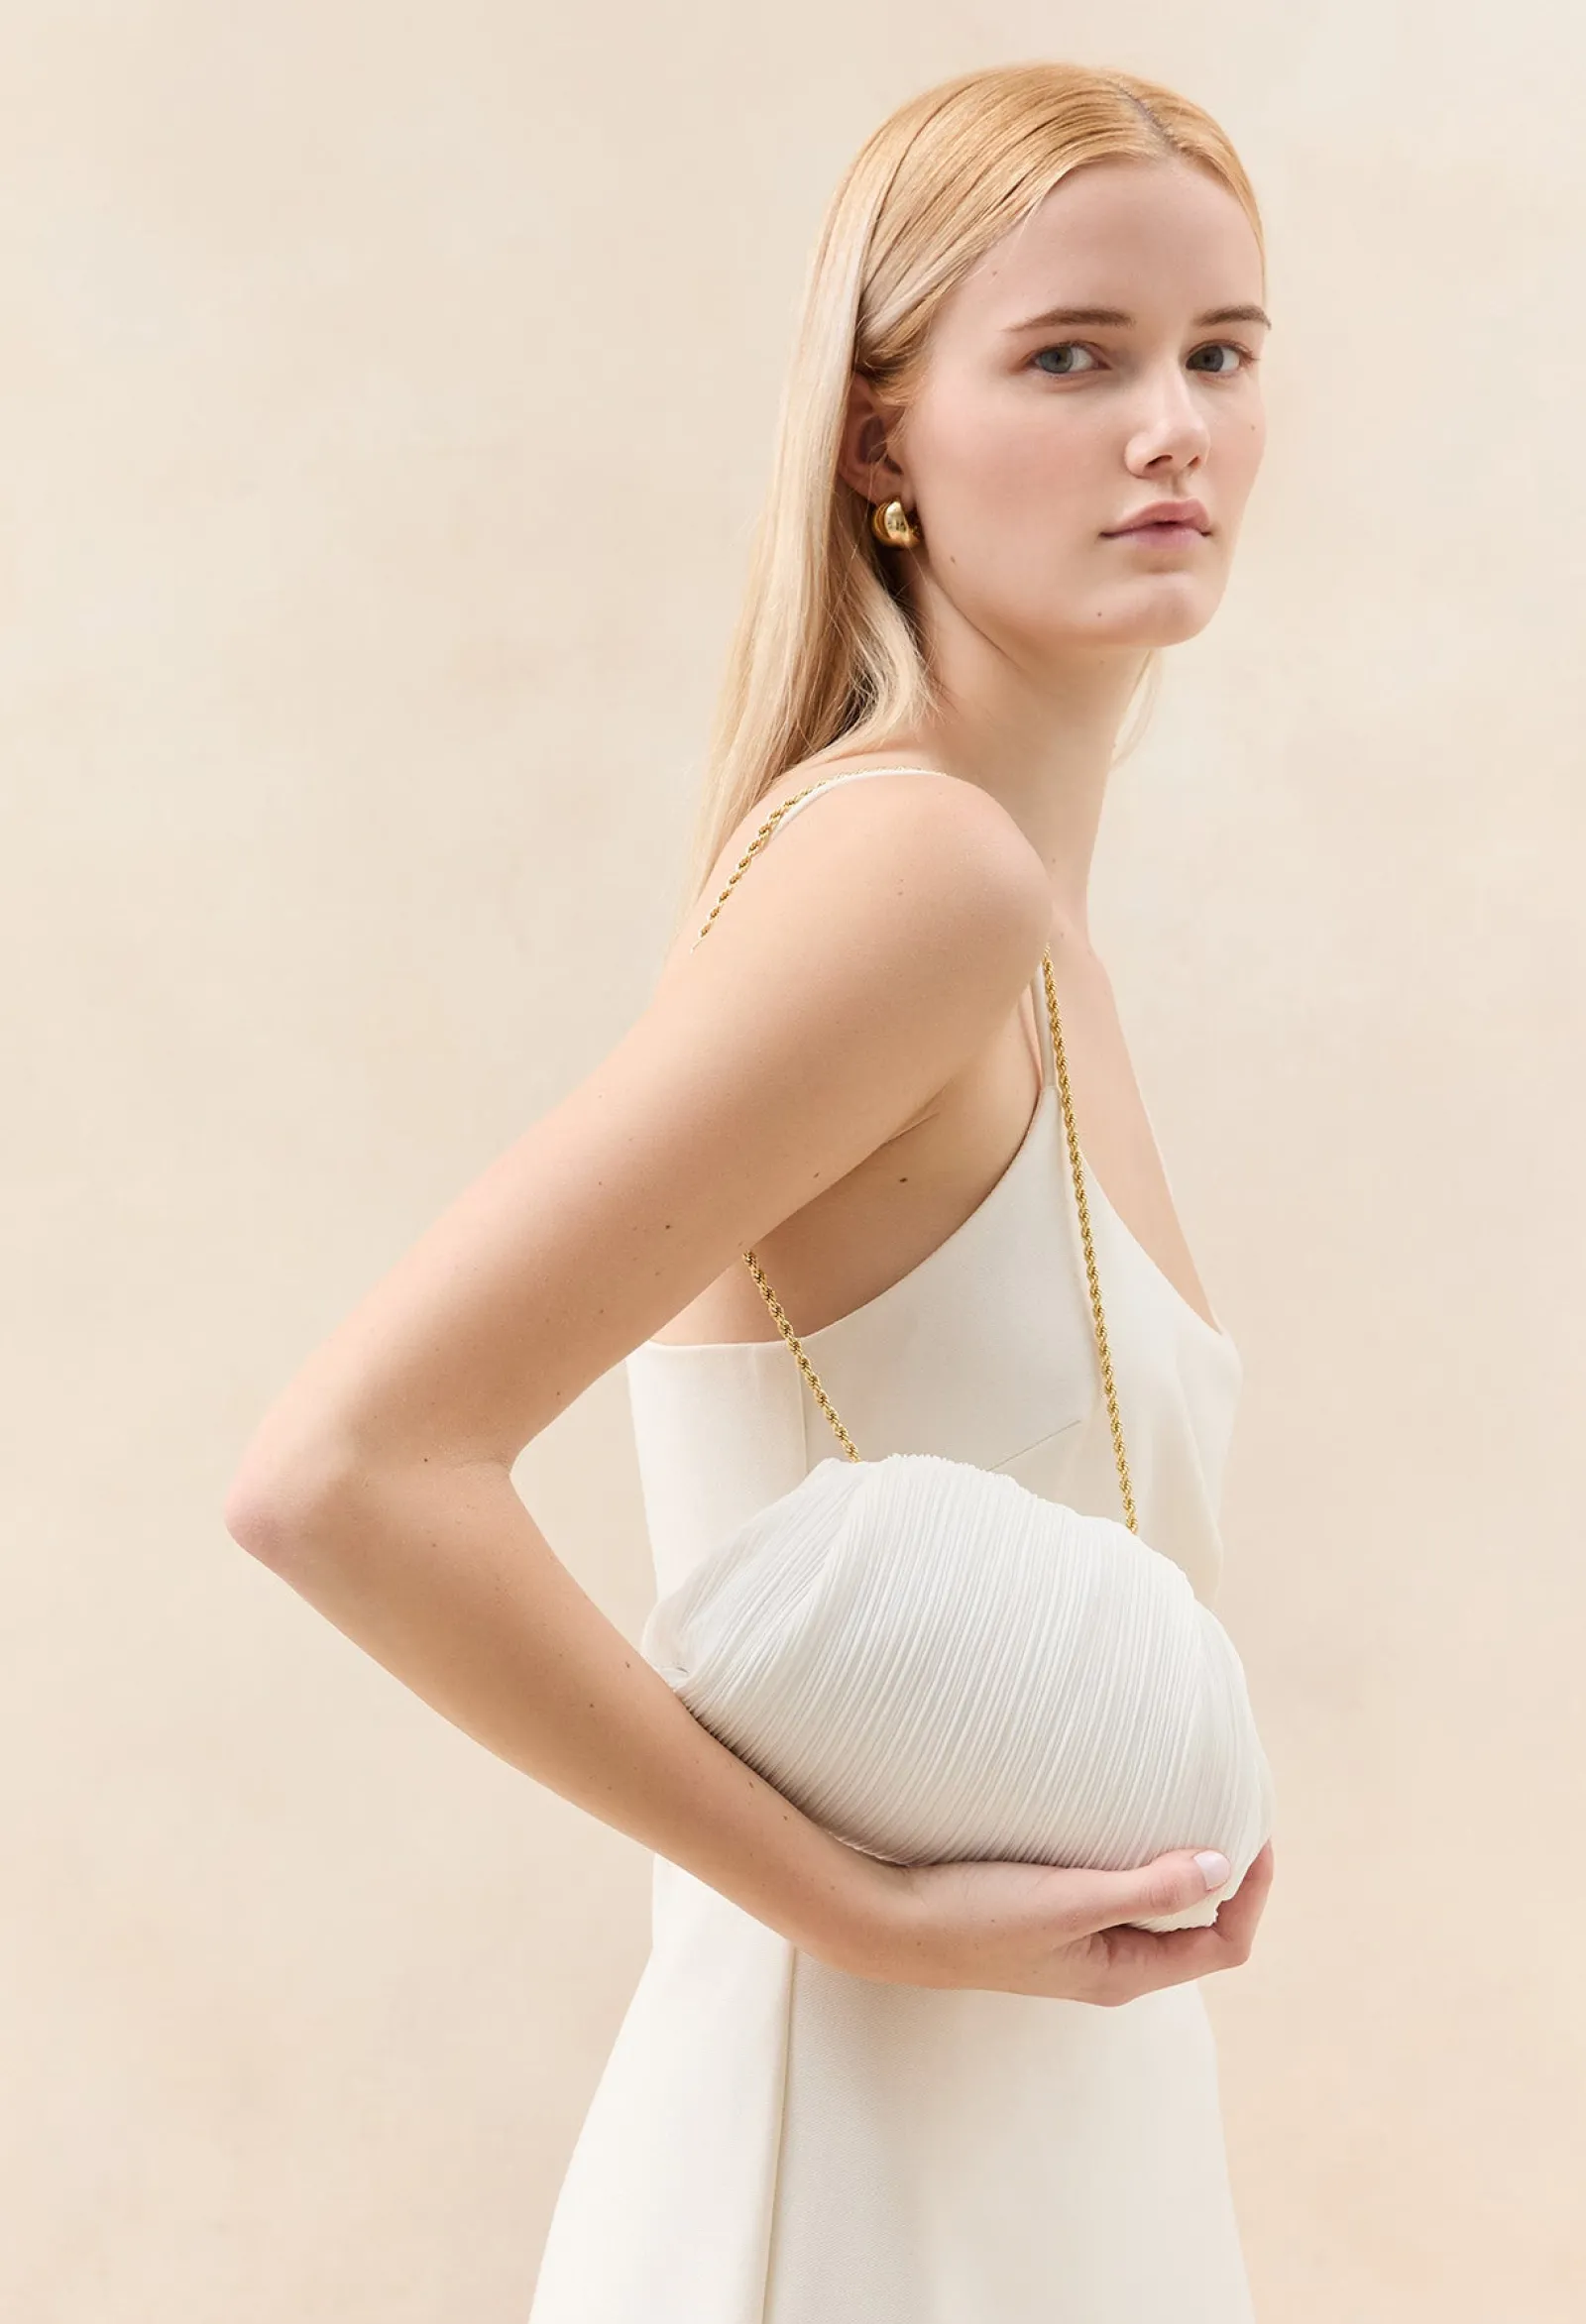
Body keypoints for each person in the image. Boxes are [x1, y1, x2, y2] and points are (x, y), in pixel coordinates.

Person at [224, 57, 1279, 2324]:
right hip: (857, 2167)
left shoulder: (1024, 925)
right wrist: (855, 1910)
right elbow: (346, 1473)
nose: (1169, 429)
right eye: (1072, 358)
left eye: (1219, 353)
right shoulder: (917, 879)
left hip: (1059, 2149)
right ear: (880, 436)